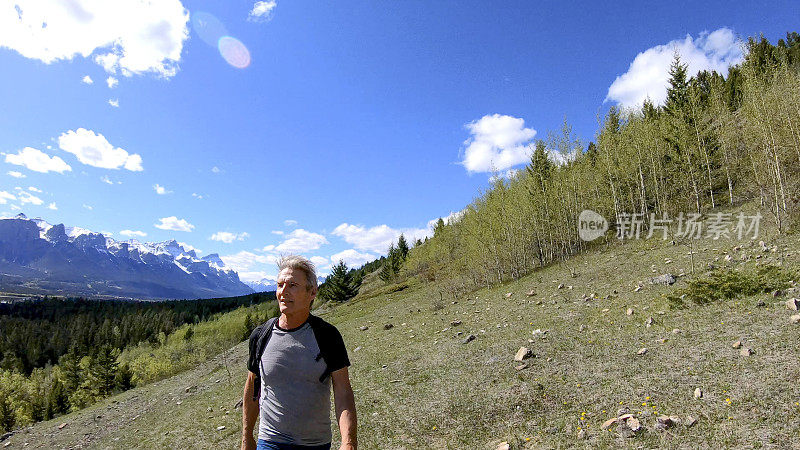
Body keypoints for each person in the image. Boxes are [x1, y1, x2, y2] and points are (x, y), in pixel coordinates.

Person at [241, 255, 357, 450]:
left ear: (312, 292)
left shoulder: (327, 336)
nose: (283, 292)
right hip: (269, 441)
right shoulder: (261, 336)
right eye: (280, 285)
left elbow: (343, 391)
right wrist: (247, 436)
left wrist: (348, 442)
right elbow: (253, 387)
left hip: (314, 444)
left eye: (292, 285)